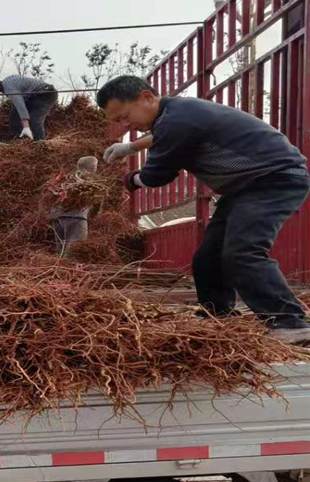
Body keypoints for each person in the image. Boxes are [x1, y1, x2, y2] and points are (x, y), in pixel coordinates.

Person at [96, 75, 310, 344]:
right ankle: (218, 318)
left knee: (242, 252)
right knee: (208, 258)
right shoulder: (178, 113)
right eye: (117, 121)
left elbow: (157, 175)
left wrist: (128, 181)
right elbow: (163, 135)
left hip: (273, 179)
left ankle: (289, 324)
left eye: (124, 117)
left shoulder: (177, 119)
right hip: (245, 188)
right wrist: (130, 147)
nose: (124, 125)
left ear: (146, 97)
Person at [0, 75, 58, 142]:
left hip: (46, 94)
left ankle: (40, 143)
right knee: (14, 113)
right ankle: (15, 139)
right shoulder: (7, 82)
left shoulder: (9, 88)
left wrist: (26, 126)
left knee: (35, 119)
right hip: (33, 96)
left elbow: (20, 105)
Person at [49, 156, 98, 257]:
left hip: (57, 217)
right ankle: (68, 271)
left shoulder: (65, 178)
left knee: (60, 249)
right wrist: (93, 217)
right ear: (93, 168)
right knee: (75, 250)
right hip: (77, 218)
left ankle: (58, 269)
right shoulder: (91, 182)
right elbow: (96, 203)